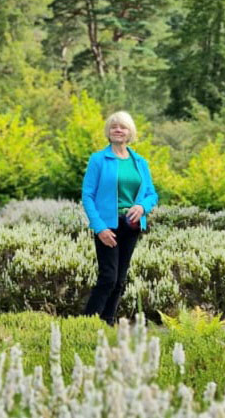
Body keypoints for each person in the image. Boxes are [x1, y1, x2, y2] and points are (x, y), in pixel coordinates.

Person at [81, 111, 158, 325]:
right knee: (108, 278)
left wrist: (142, 206)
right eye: (114, 126)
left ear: (129, 132)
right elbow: (87, 196)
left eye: (122, 127)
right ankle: (86, 324)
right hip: (107, 226)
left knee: (120, 280)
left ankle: (107, 322)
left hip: (131, 225)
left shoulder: (139, 162)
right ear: (108, 131)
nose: (118, 130)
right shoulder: (99, 159)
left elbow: (152, 193)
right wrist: (99, 228)